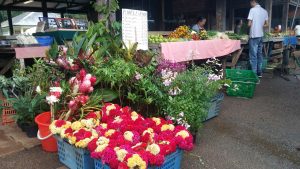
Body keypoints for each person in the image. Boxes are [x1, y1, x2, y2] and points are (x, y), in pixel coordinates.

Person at [248, 0, 268, 78]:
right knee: (259, 54)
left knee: (253, 56)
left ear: (253, 1)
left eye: (250, 2)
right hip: (261, 35)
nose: (250, 4)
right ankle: (259, 73)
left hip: (254, 35)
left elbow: (249, 24)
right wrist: (259, 24)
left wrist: (253, 25)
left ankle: (254, 74)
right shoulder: (265, 11)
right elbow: (266, 24)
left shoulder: (252, 10)